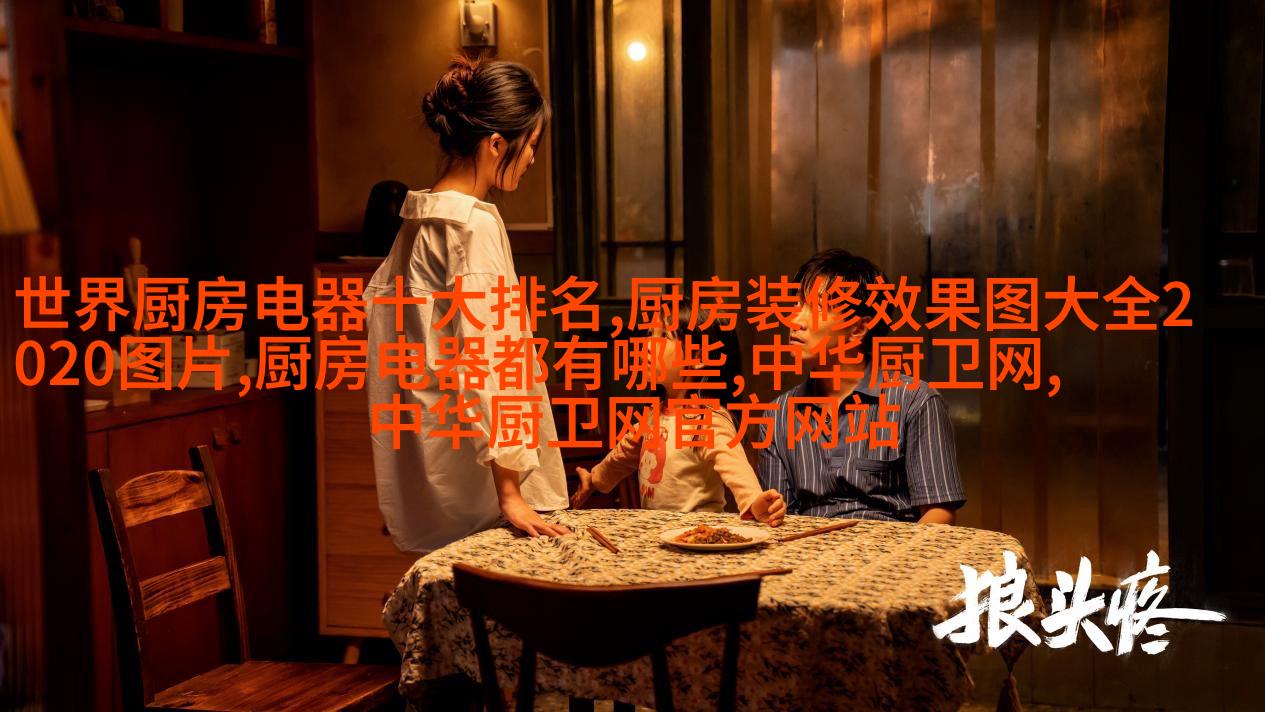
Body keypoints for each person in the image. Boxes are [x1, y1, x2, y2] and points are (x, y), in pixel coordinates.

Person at [365, 57, 570, 553]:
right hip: (486, 486)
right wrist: (511, 492)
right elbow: (492, 362)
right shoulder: (471, 226)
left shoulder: (417, 221)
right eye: (531, 144)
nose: (532, 158)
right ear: (496, 143)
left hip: (434, 465)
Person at [758, 249, 966, 523]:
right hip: (808, 546)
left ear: (858, 329)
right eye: (797, 305)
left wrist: (902, 553)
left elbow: (938, 513)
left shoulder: (915, 401)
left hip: (895, 545)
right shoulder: (778, 413)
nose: (795, 321)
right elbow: (778, 520)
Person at [571, 303, 786, 526]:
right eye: (650, 334)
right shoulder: (654, 415)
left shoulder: (707, 419)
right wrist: (593, 479)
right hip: (656, 535)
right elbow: (622, 456)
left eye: (664, 336)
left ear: (699, 357)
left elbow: (734, 466)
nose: (647, 344)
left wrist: (754, 501)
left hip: (698, 536)